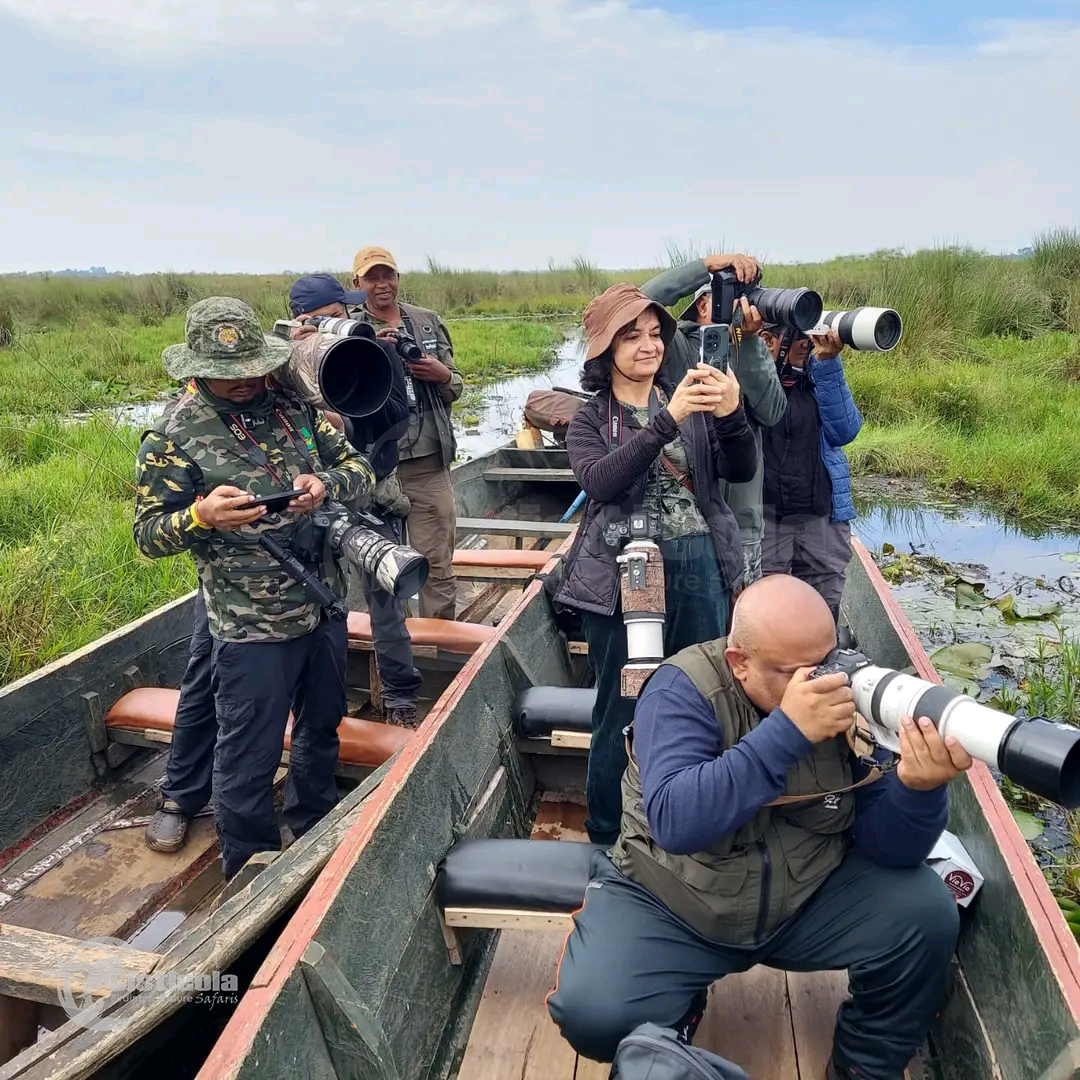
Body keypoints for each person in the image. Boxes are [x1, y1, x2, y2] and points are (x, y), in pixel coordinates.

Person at [547, 574, 973, 1080]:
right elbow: (677, 822)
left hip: (804, 893)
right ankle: (679, 1015)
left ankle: (862, 1066)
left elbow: (889, 850)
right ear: (740, 663)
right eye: (797, 672)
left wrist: (918, 791)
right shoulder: (681, 691)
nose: (820, 681)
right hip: (675, 897)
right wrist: (788, 732)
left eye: (828, 658)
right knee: (592, 1014)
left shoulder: (849, 697)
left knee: (926, 915)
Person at [134, 297, 375, 879]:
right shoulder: (171, 438)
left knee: (321, 727)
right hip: (249, 629)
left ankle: (314, 824)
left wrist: (324, 484)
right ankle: (249, 872)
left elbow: (361, 470)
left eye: (251, 369)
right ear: (196, 367)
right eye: (227, 373)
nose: (243, 383)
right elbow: (148, 536)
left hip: (321, 606)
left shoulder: (295, 411)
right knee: (247, 758)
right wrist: (201, 516)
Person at [553, 283, 758, 847]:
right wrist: (667, 418)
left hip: (698, 565)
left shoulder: (692, 400)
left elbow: (740, 470)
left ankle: (699, 822)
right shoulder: (589, 419)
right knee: (622, 705)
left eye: (653, 334)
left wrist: (734, 413)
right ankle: (607, 832)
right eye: (630, 335)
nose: (647, 345)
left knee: (708, 696)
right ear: (604, 349)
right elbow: (601, 481)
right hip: (624, 574)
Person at [285, 272, 423, 727]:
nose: (335, 324)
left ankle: (401, 695)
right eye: (322, 319)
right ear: (299, 321)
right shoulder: (283, 366)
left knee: (387, 595)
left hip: (370, 492)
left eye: (339, 315)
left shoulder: (373, 350)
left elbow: (400, 418)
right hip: (306, 505)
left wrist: (348, 418)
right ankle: (314, 700)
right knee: (309, 601)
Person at [641, 254, 787, 583]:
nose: (745, 304)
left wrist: (749, 343)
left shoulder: (750, 347)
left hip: (742, 523)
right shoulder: (673, 344)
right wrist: (705, 266)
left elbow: (773, 412)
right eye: (736, 294)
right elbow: (639, 300)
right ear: (704, 304)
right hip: (684, 523)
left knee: (741, 625)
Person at [347, 246, 463, 620]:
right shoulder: (349, 329)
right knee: (381, 568)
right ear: (357, 283)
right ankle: (394, 649)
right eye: (372, 278)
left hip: (428, 464)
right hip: (376, 467)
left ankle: (438, 654)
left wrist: (440, 375)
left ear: (398, 279)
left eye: (388, 276)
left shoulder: (426, 322)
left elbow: (455, 385)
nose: (382, 285)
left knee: (437, 565)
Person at [758, 323, 861, 622]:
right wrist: (769, 363)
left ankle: (823, 662)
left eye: (808, 334)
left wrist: (828, 363)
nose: (805, 342)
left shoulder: (820, 377)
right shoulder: (753, 380)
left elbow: (845, 430)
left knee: (823, 609)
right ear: (769, 338)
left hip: (821, 515)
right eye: (796, 335)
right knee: (767, 608)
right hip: (767, 516)